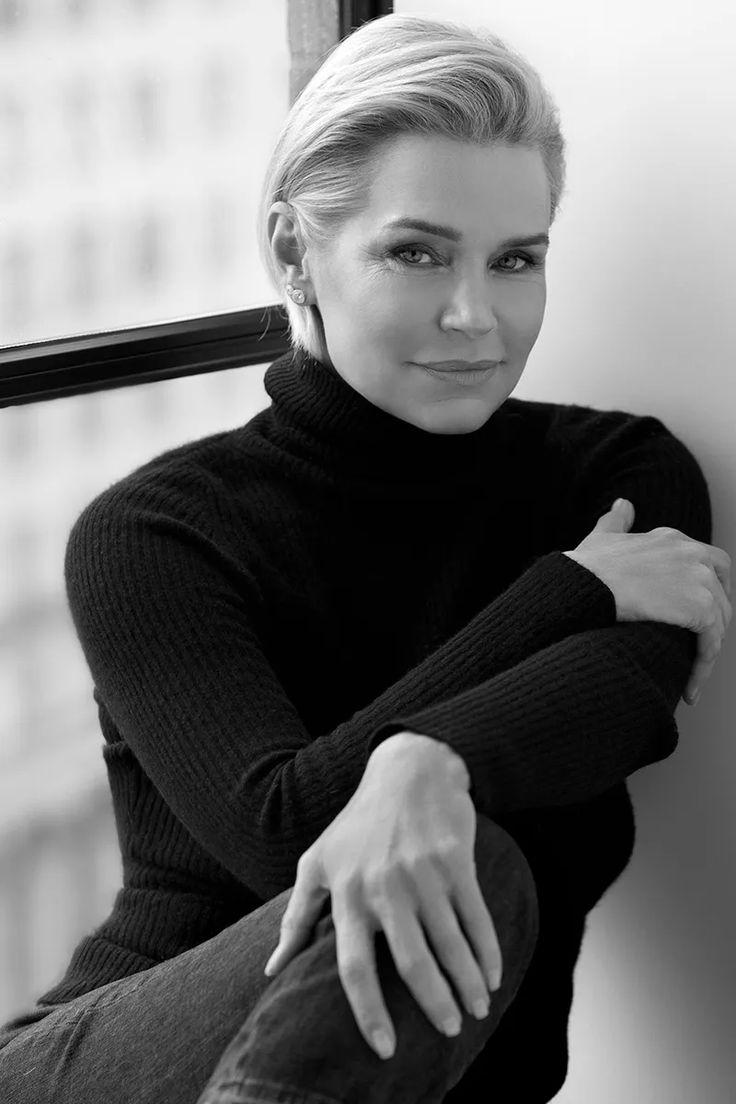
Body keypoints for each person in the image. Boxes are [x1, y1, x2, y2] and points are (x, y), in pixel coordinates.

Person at [0, 12, 730, 1104]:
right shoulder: (154, 533)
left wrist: (423, 761)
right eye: (415, 251)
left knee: (461, 856)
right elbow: (285, 834)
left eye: (515, 259)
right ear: (296, 250)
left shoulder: (617, 483)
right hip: (109, 1060)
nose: (474, 315)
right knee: (443, 866)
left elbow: (626, 700)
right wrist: (563, 593)